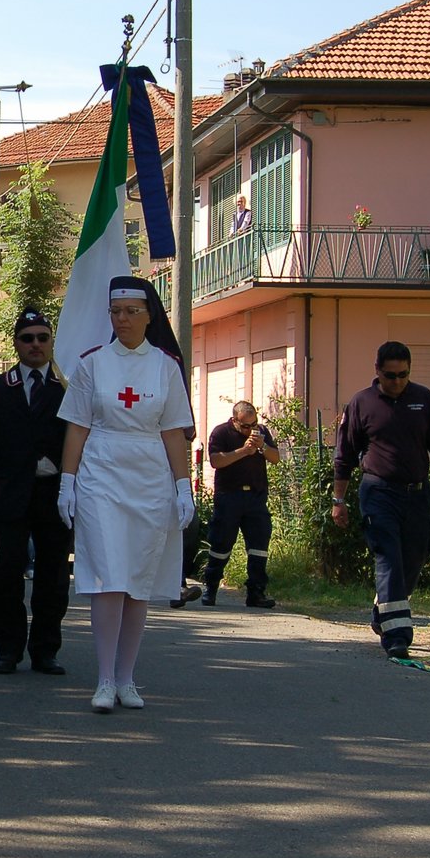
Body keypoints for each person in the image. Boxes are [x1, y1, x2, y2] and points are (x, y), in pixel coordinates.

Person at [56, 276, 195, 713]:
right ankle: (102, 679)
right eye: (116, 313)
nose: (123, 320)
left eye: (132, 312)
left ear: (149, 315)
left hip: (149, 475)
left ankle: (127, 678)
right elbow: (77, 426)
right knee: (108, 576)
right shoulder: (92, 365)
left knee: (138, 580)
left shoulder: (165, 366)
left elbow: (174, 430)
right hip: (102, 472)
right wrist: (67, 481)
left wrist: (183, 485)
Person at [332, 341, 430, 659]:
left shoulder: (423, 399)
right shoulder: (362, 403)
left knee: (412, 559)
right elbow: (344, 455)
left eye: (403, 374)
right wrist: (339, 499)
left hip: (417, 494)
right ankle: (397, 636)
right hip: (378, 492)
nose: (397, 382)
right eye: (391, 376)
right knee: (387, 557)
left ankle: (384, 608)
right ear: (377, 370)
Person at [0, 308, 72, 676]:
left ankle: (46, 650)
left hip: (54, 495)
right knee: (8, 575)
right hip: (10, 495)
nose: (35, 345)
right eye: (27, 338)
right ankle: (8, 650)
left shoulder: (66, 388)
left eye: (42, 338)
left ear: (50, 343)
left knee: (53, 577)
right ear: (16, 344)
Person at [201, 401, 281, 608]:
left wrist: (261, 446)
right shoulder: (221, 433)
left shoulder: (261, 432)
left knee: (259, 545)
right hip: (229, 496)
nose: (250, 429)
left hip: (255, 497)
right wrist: (244, 451)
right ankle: (210, 588)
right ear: (234, 420)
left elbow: (276, 458)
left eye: (254, 424)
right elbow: (216, 461)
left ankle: (256, 592)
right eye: (246, 426)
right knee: (221, 543)